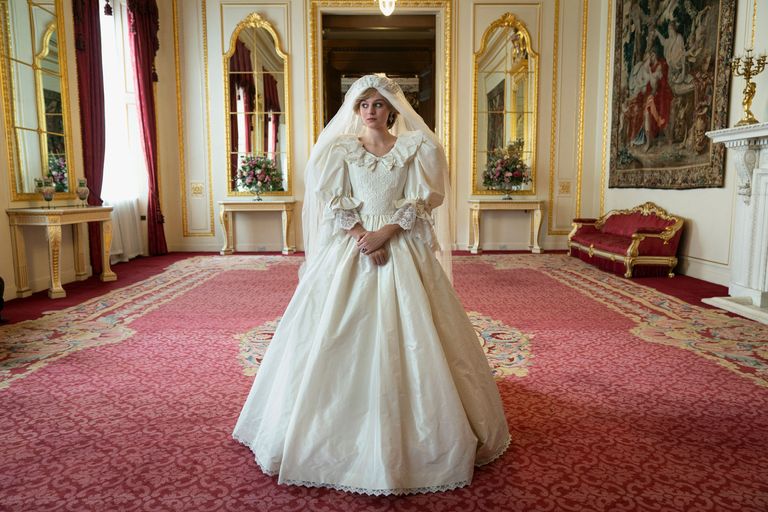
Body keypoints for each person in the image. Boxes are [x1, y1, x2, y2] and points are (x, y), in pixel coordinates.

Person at [233, 74, 510, 496]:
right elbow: (333, 200)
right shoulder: (340, 149)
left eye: (378, 104)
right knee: (333, 332)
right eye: (363, 104)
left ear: (392, 109)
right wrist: (365, 238)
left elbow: (421, 201)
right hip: (354, 246)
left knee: (419, 333)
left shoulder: (416, 147)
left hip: (399, 244)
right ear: (355, 109)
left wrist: (386, 234)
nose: (370, 111)